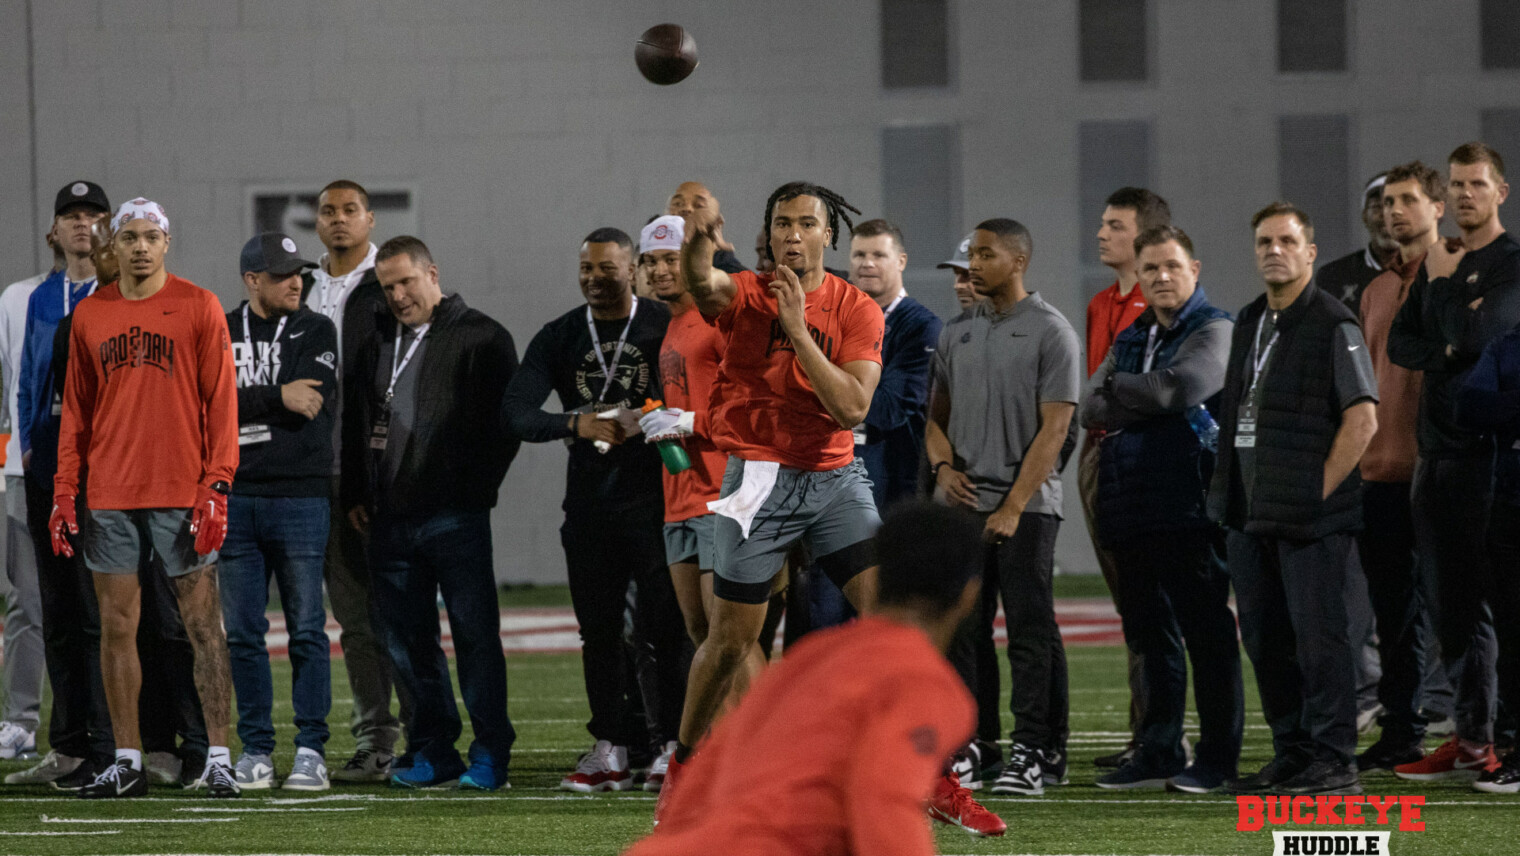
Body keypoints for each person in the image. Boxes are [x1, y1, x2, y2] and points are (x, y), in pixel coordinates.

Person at [659, 182, 885, 813]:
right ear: (767, 234)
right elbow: (705, 286)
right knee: (730, 639)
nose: (793, 234)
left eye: (806, 223)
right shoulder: (751, 292)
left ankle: (930, 769)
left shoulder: (858, 309)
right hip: (758, 478)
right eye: (782, 223)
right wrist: (699, 242)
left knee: (894, 616)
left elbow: (851, 406)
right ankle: (683, 763)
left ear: (828, 235)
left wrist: (797, 330)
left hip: (833, 477)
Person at [625, 501, 1001, 856]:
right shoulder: (926, 684)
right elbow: (883, 805)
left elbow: (722, 755)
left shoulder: (814, 654)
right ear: (969, 594)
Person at [51, 198, 241, 798]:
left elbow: (223, 403)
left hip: (181, 492)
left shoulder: (198, 305)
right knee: (116, 628)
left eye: (150, 236)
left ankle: (217, 757)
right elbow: (76, 414)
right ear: (116, 245)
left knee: (202, 628)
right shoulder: (90, 316)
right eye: (129, 236)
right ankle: (127, 759)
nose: (139, 246)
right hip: (109, 492)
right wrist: (64, 490)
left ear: (167, 243)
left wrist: (217, 483)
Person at [502, 227, 682, 793]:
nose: (594, 279)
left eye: (607, 269)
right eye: (586, 269)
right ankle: (613, 745)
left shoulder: (663, 325)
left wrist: (651, 414)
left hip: (658, 501)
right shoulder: (560, 334)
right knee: (598, 632)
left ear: (632, 270)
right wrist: (573, 422)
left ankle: (672, 744)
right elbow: (514, 409)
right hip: (588, 507)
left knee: (665, 629)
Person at [1211, 202, 1378, 796]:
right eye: (1264, 241)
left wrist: (1315, 496)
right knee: (1265, 639)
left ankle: (1335, 760)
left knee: (1320, 642)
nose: (1273, 250)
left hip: (1310, 519)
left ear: (1310, 252)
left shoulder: (1334, 321)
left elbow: (1362, 422)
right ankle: (1294, 752)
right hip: (1251, 513)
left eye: (1286, 240)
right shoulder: (1252, 318)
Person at [342, 236, 519, 791]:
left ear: (433, 274)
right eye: (387, 286)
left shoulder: (483, 336)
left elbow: (505, 430)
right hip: (388, 520)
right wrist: (356, 492)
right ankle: (433, 750)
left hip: (454, 517)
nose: (397, 296)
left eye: (405, 282)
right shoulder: (376, 340)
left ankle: (490, 753)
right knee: (407, 644)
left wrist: (473, 491)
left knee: (474, 638)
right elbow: (357, 421)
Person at [1081, 226, 1244, 793]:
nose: (1161, 277)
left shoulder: (1215, 326)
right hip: (1131, 504)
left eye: (1172, 266)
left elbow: (1185, 387)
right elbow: (1087, 407)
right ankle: (1159, 749)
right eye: (1150, 269)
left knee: (1207, 634)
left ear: (1194, 270)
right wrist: (1148, 396)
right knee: (1149, 636)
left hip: (1188, 506)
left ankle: (1219, 758)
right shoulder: (1134, 332)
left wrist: (1129, 393)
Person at [929, 218, 1081, 796]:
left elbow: (1056, 428)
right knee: (964, 632)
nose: (972, 265)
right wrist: (944, 469)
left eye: (985, 254)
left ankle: (1034, 754)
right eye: (971, 254)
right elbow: (934, 421)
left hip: (1028, 510)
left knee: (1028, 634)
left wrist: (1014, 506)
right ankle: (968, 747)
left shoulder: (1051, 331)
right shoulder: (956, 333)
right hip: (966, 510)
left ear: (1018, 261)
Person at [1388, 141, 1519, 783]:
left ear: (1501, 192)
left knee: (1497, 604)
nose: (1466, 194)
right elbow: (1403, 343)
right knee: (1450, 608)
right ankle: (1471, 740)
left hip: (1487, 460)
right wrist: (1447, 333)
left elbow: (1481, 337)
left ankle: (1505, 742)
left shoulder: (1509, 264)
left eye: (1477, 184)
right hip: (1432, 456)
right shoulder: (1445, 263)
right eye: (1459, 184)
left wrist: (1440, 289)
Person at [220, 233, 336, 791]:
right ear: (251, 281)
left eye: (300, 274)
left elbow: (311, 399)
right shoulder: (219, 327)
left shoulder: (317, 328)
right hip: (235, 496)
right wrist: (273, 395)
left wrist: (242, 402)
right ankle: (257, 750)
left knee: (308, 631)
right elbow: (201, 402)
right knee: (242, 633)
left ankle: (311, 748)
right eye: (284, 274)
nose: (297, 282)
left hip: (300, 496)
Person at [300, 179, 404, 782]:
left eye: (349, 211)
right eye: (327, 211)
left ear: (369, 218)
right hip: (316, 478)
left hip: (375, 477)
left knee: (397, 612)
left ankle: (428, 738)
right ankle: (377, 741)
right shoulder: (303, 285)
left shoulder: (388, 283)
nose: (338, 220)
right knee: (355, 620)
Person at [6, 217, 116, 789]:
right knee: (59, 615)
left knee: (108, 619)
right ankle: (73, 746)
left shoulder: (144, 311)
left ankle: (122, 748)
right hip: (53, 475)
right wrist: (31, 456)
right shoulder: (42, 305)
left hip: (118, 484)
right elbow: (32, 388)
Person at [1353, 161, 1450, 773]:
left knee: (1462, 613)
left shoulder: (1458, 276)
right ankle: (1401, 731)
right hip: (1380, 473)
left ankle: (1483, 733)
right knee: (1394, 618)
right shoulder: (1376, 288)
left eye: (1408, 201)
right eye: (1387, 203)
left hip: (1441, 468)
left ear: (1436, 207)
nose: (1393, 213)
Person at [1080, 187, 1170, 769]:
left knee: (1153, 603)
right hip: (1099, 455)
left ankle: (1162, 735)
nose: (1101, 233)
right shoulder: (1099, 303)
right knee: (1129, 604)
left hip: (1142, 459)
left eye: (1114, 225)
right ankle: (1146, 732)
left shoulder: (1161, 304)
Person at [634, 215, 723, 790]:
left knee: (728, 637)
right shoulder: (671, 328)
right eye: (653, 261)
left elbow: (755, 412)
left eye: (672, 258)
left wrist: (688, 419)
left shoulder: (718, 324)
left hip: (723, 497)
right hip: (680, 497)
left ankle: (762, 748)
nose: (662, 270)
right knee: (702, 635)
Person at [1457, 324, 1520, 793]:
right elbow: (1470, 406)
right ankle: (1515, 752)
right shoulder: (1507, 342)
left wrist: (1508, 406)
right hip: (1511, 508)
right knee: (1514, 640)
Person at [847, 219, 942, 511]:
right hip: (838, 481)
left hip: (893, 487)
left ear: (901, 261)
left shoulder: (922, 327)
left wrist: (821, 383)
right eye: (859, 255)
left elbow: (888, 408)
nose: (867, 263)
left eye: (878, 255)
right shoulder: (842, 319)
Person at [1316, 174, 1399, 312]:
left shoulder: (1428, 271)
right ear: (1364, 216)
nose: (1385, 214)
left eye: (1393, 205)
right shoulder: (1333, 277)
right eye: (1377, 206)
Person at [666, 182, 746, 274]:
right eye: (678, 204)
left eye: (699, 205)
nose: (687, 208)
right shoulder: (654, 272)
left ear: (717, 223)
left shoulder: (736, 277)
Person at [937, 231, 978, 315]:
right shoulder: (954, 327)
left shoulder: (1011, 326)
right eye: (956, 274)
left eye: (968, 275)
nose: (957, 286)